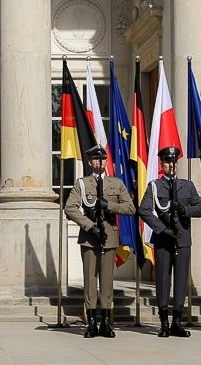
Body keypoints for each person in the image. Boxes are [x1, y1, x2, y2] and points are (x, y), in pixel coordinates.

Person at [63, 145, 136, 338]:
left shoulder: (116, 183)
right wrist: (90, 226)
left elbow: (130, 208)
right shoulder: (82, 184)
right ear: (90, 162)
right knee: (90, 281)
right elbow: (70, 208)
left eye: (103, 158)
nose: (100, 162)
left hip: (109, 236)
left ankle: (105, 322)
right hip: (89, 237)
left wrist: (109, 205)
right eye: (96, 159)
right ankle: (91, 323)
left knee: (106, 281)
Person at [137, 146, 201, 338]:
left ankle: (177, 321)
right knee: (162, 280)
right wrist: (161, 229)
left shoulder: (187, 186)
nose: (171, 165)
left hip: (182, 239)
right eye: (167, 162)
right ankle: (164, 322)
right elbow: (144, 210)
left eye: (174, 161)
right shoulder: (155, 186)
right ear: (162, 164)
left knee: (181, 280)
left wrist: (183, 209)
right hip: (163, 238)